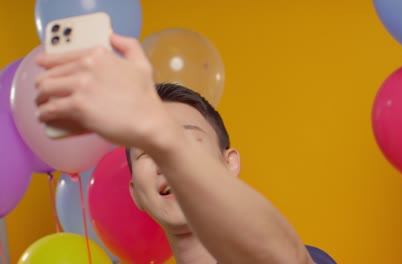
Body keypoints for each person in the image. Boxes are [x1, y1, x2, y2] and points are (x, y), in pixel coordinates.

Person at [34, 33, 316, 264]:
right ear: (136, 195)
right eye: (147, 151)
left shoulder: (290, 253)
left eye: (189, 139)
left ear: (230, 163)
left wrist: (162, 136)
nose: (165, 161)